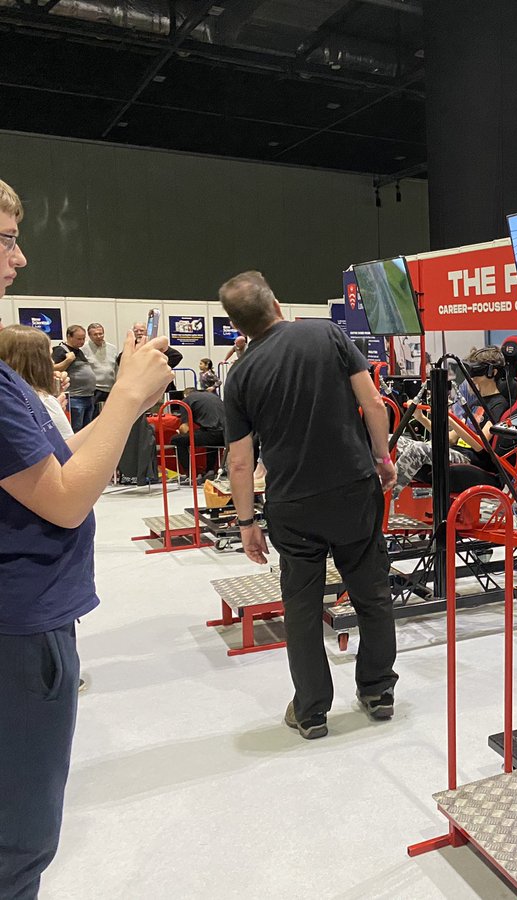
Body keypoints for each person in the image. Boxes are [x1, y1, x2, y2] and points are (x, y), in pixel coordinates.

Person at [0, 177, 174, 898]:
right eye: (6, 239)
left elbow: (62, 467)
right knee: (19, 843)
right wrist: (130, 396)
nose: (19, 259)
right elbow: (67, 499)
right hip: (18, 633)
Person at [219, 270, 397, 741]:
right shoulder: (327, 333)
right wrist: (382, 458)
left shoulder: (238, 377)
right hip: (354, 491)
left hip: (293, 505)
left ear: (239, 326)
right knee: (371, 593)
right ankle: (378, 691)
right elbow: (373, 404)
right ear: (276, 303)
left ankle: (312, 709)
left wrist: (245, 523)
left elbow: (240, 462)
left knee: (300, 608)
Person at [394, 346, 517, 491]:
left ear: (493, 372)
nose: (471, 376)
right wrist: (420, 417)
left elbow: (480, 444)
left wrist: (449, 416)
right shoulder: (475, 403)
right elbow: (450, 438)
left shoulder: (498, 405)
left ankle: (386, 495)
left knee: (417, 449)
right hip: (456, 451)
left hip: (472, 460)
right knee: (394, 441)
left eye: (476, 371)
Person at [0, 325, 74, 441]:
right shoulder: (45, 402)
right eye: (49, 356)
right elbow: (68, 448)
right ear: (37, 362)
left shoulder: (11, 397)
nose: (53, 362)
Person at [171, 387, 225, 482]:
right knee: (207, 434)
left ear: (185, 395)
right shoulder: (213, 396)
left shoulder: (186, 401)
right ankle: (210, 470)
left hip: (212, 434)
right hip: (226, 436)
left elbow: (185, 428)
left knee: (177, 440)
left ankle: (192, 475)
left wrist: (180, 431)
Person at [51, 325, 98, 429]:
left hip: (88, 396)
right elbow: (52, 369)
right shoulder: (60, 350)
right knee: (76, 429)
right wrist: (68, 360)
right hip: (75, 398)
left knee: (87, 430)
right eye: (78, 339)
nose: (81, 341)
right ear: (69, 336)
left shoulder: (79, 351)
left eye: (83, 338)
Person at [85, 323, 118, 409]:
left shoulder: (113, 348)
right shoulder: (83, 349)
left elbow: (116, 368)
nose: (99, 336)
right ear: (89, 335)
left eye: (101, 333)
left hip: (110, 389)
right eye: (95, 334)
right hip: (94, 390)